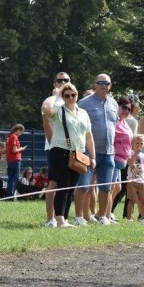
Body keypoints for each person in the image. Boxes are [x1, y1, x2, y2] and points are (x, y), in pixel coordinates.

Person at [43, 82, 95, 227]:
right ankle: (58, 219)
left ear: (77, 95)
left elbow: (89, 136)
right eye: (67, 96)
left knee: (71, 187)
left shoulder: (83, 113)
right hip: (59, 151)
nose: (71, 98)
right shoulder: (59, 111)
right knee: (63, 185)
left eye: (73, 95)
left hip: (78, 154)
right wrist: (56, 95)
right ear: (63, 97)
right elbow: (46, 108)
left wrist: (93, 156)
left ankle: (64, 218)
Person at [76, 74, 118, 225]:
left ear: (110, 85)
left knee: (106, 188)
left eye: (106, 83)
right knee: (84, 186)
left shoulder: (114, 104)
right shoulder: (84, 103)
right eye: (100, 83)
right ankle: (79, 217)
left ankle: (102, 217)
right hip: (88, 152)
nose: (103, 85)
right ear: (95, 85)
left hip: (108, 152)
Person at [41, 72, 70, 225]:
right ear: (55, 83)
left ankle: (62, 216)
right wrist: (53, 144)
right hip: (54, 147)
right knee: (53, 182)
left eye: (66, 80)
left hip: (69, 148)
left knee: (65, 182)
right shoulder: (51, 101)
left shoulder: (70, 100)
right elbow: (47, 123)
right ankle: (50, 218)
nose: (63, 82)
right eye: (59, 80)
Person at [110, 95, 135, 221]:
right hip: (113, 159)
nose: (126, 111)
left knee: (118, 187)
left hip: (123, 161)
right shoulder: (114, 121)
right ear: (117, 106)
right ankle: (105, 213)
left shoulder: (124, 122)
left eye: (129, 109)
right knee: (113, 187)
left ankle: (108, 212)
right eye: (124, 107)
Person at [125, 134, 144, 223]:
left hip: (142, 181)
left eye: (141, 143)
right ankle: (129, 219)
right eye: (137, 143)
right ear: (132, 143)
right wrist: (135, 154)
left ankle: (142, 218)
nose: (139, 145)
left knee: (142, 200)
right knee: (132, 199)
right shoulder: (129, 153)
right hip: (131, 181)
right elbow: (129, 163)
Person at [5, 124, 27, 199]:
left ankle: (8, 195)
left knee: (11, 178)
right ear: (18, 130)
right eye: (21, 132)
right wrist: (21, 149)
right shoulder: (14, 137)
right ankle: (10, 196)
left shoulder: (9, 137)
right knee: (14, 179)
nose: (21, 134)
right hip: (15, 160)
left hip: (10, 161)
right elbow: (14, 150)